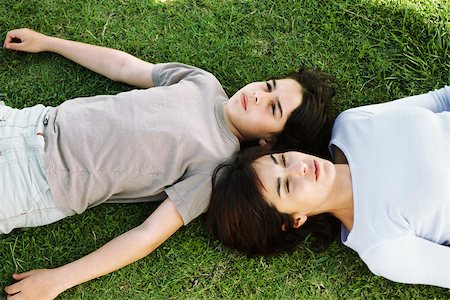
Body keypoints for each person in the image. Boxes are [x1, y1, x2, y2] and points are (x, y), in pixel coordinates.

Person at [1, 28, 335, 299]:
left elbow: (147, 234)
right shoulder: (203, 83)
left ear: (269, 143)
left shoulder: (217, 168)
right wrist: (50, 43)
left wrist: (59, 280)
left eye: (273, 109)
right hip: (30, 121)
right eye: (269, 86)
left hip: (39, 181)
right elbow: (124, 67)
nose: (259, 96)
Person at [207, 87, 450, 288]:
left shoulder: (350, 124)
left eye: (281, 160)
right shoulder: (382, 246)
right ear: (295, 220)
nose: (299, 166)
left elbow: (442, 99)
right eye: (287, 185)